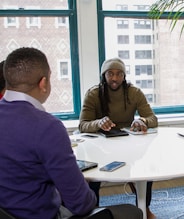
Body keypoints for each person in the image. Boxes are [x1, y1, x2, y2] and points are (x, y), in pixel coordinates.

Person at [0, 47, 143, 219]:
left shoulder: (133, 92)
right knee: (132, 212)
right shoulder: (47, 127)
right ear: (43, 83)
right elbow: (81, 204)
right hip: (42, 214)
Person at [79, 57, 158, 219]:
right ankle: (94, 211)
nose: (114, 78)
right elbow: (83, 125)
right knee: (93, 175)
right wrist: (98, 123)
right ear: (103, 75)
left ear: (124, 76)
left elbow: (153, 119)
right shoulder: (93, 94)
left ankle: (144, 207)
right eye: (110, 74)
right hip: (100, 146)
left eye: (119, 74)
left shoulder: (134, 93)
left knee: (146, 172)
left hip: (128, 144)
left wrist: (141, 120)